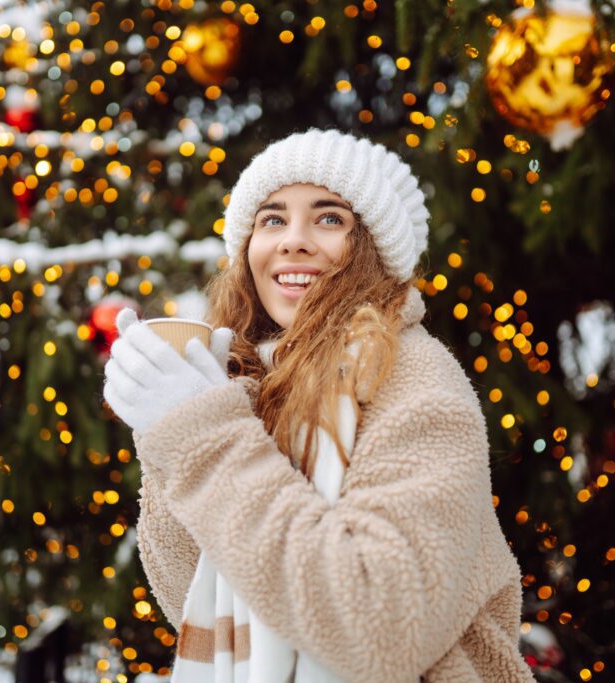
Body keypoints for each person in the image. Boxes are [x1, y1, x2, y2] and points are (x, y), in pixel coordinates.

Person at [103, 129, 534, 683]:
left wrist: (202, 435)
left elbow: (378, 632)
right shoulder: (255, 387)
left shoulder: (415, 380)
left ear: (374, 253)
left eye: (329, 218)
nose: (293, 240)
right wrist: (168, 433)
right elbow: (192, 596)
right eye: (272, 219)